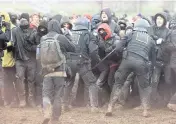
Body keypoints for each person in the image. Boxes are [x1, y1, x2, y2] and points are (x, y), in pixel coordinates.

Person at [106, 19, 156, 117]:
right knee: (144, 87)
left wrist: (122, 55)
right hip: (142, 62)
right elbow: (153, 58)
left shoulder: (130, 34)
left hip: (127, 60)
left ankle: (110, 107)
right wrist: (150, 68)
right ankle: (145, 110)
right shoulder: (150, 39)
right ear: (147, 28)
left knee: (118, 83)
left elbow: (118, 47)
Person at [39, 19, 75, 124]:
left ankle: (46, 113)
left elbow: (39, 55)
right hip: (59, 71)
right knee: (58, 95)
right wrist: (67, 35)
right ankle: (55, 118)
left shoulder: (43, 38)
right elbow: (73, 48)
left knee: (46, 94)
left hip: (46, 71)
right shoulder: (61, 37)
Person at [12, 13, 36, 107]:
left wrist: (31, 47)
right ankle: (22, 100)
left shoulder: (33, 31)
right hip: (20, 59)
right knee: (20, 79)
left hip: (31, 59)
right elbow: (13, 44)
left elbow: (37, 44)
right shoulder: (15, 31)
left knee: (31, 80)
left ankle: (31, 99)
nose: (25, 28)